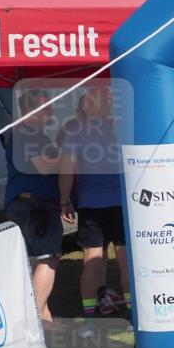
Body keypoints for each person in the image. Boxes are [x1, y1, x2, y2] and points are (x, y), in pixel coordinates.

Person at [58, 83, 130, 325]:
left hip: (91, 203)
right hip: (121, 203)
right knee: (125, 258)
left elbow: (66, 169)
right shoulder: (121, 127)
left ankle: (89, 315)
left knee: (92, 259)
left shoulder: (75, 131)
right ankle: (132, 311)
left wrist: (64, 200)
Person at [3, 89, 64, 328]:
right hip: (34, 206)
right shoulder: (27, 133)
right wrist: (69, 152)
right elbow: (45, 168)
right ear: (30, 111)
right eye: (45, 106)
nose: (51, 110)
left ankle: (44, 319)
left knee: (36, 261)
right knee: (49, 259)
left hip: (25, 205)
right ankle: (32, 324)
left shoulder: (29, 134)